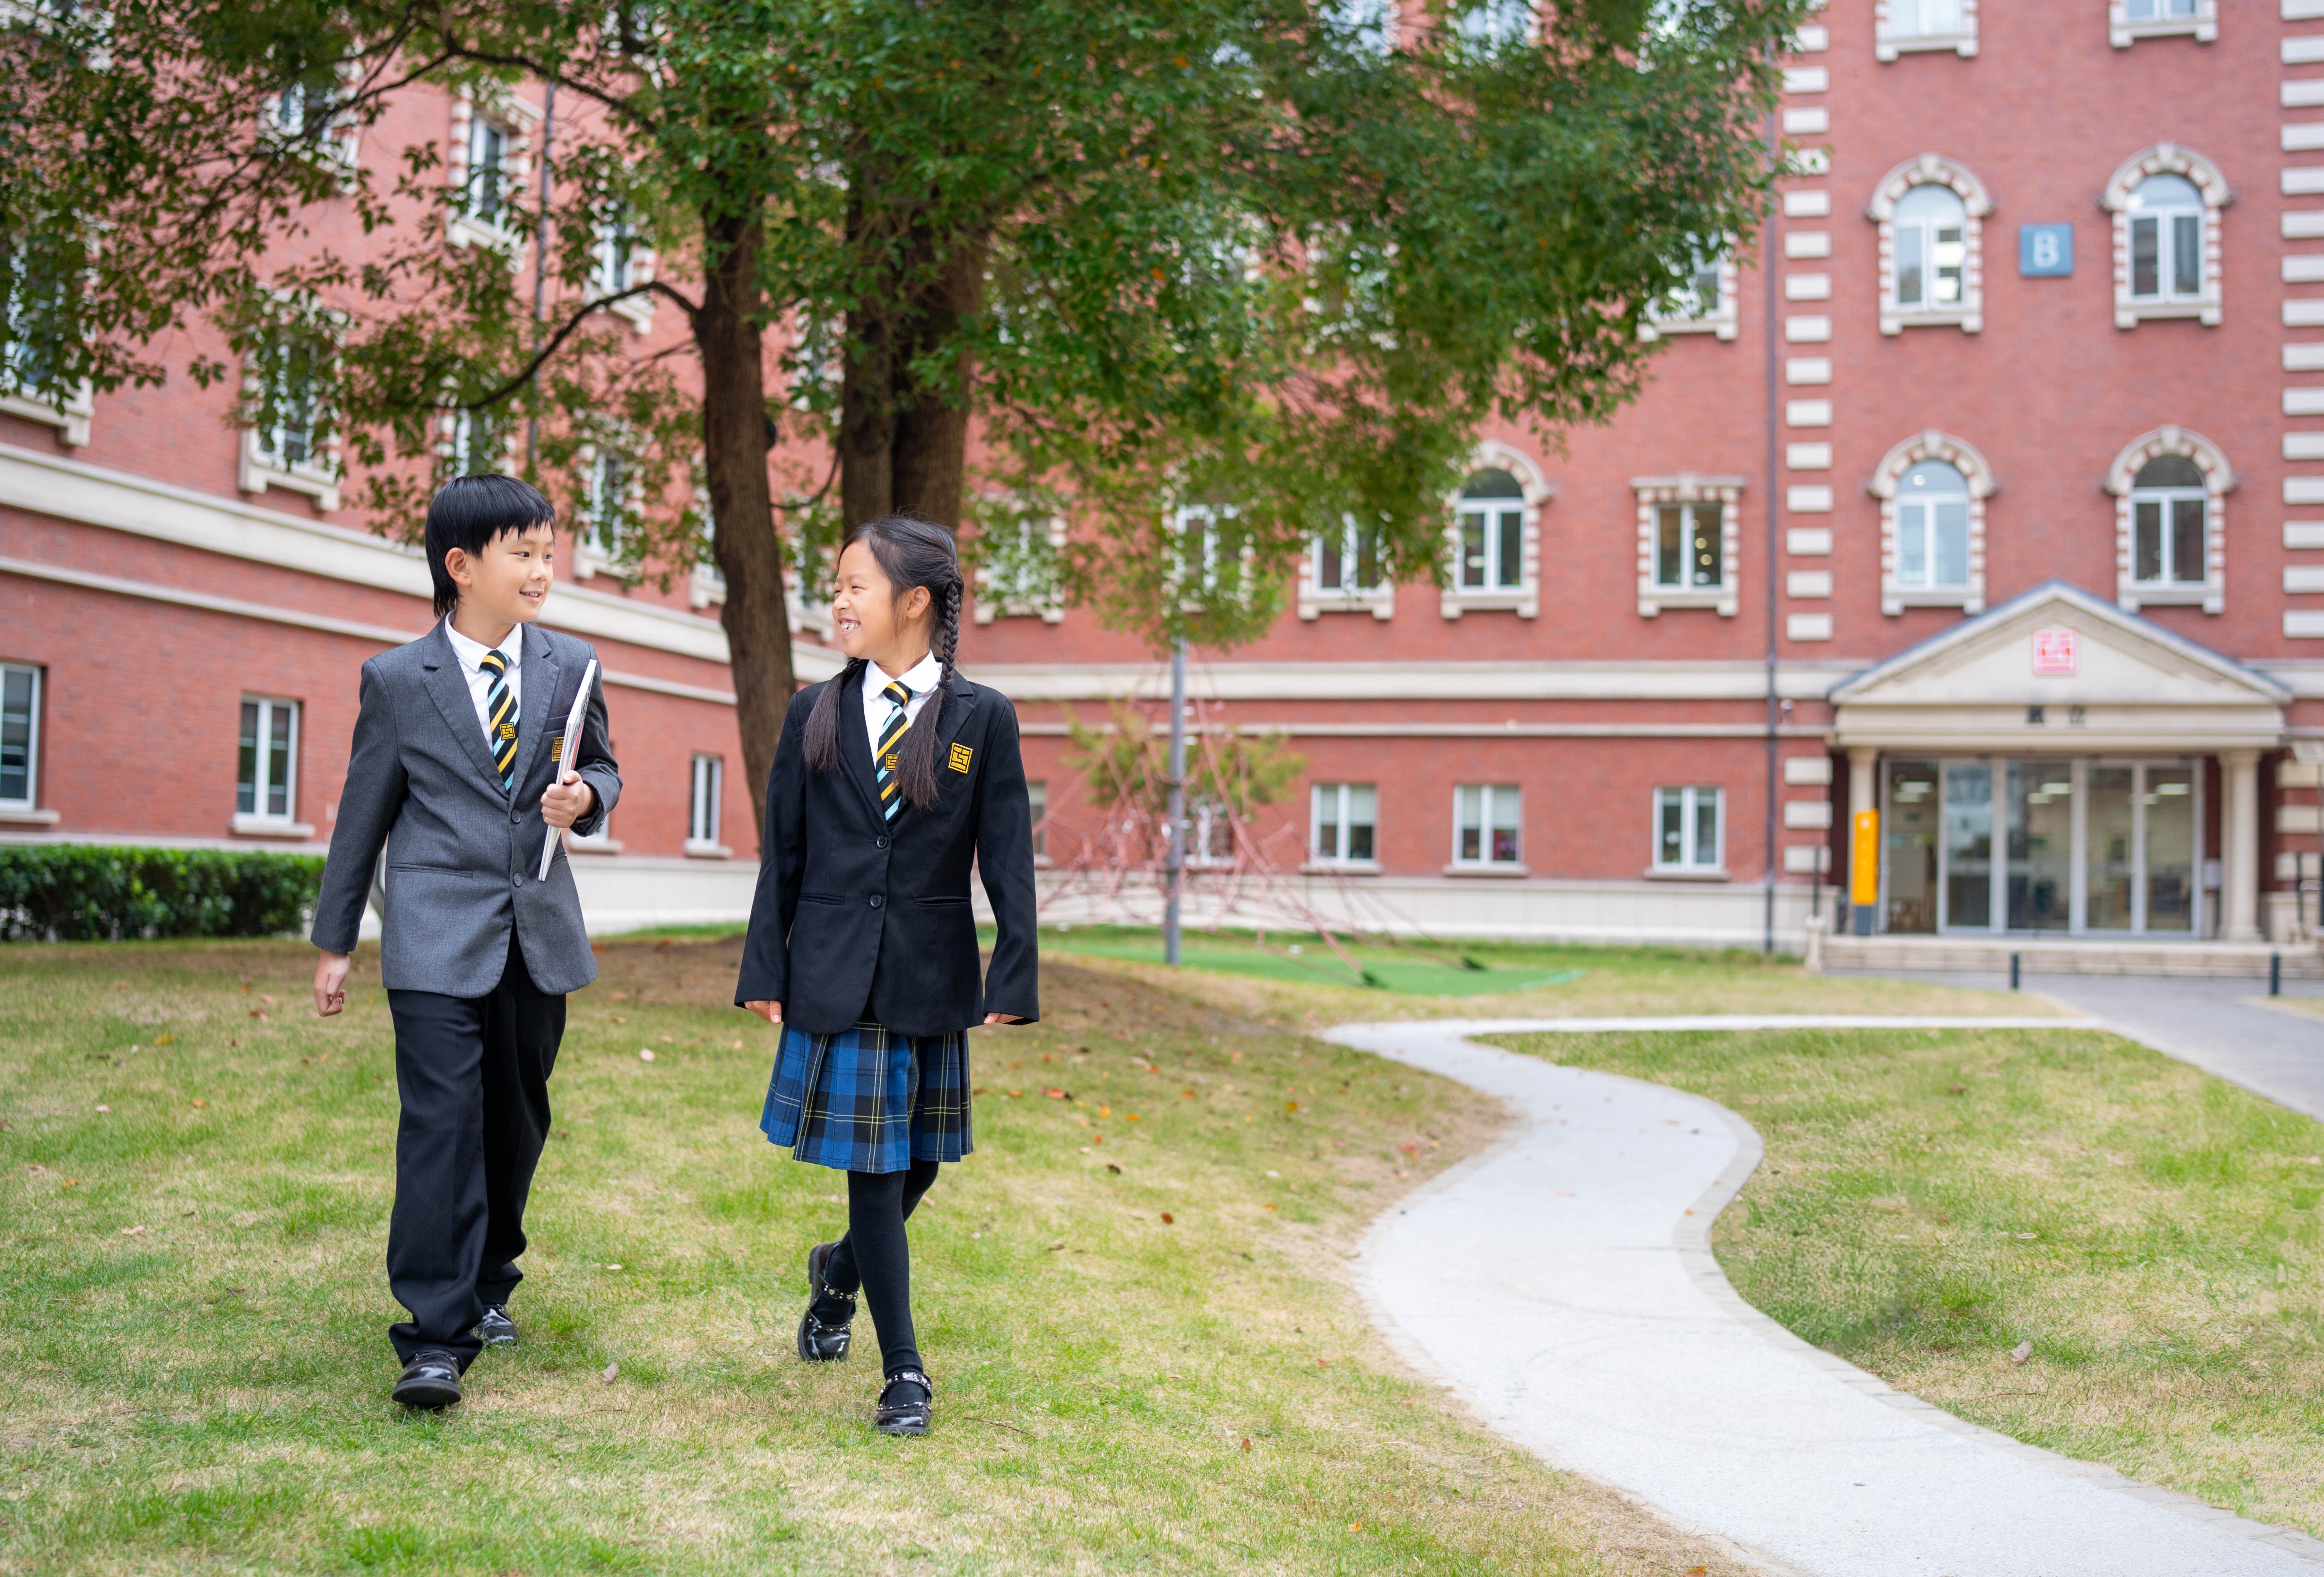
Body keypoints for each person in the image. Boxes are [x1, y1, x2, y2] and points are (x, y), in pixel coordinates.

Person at [309, 473, 620, 1410]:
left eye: (547, 549)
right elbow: (363, 817)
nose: (542, 567)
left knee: (516, 1121)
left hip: (538, 930)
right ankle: (433, 1338)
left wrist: (588, 798)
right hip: (433, 938)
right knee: (441, 1129)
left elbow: (600, 764)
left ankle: (490, 1282)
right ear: (461, 566)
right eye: (522, 552)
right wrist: (336, 942)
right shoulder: (399, 682)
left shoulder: (573, 664)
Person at [735, 513, 1039, 1437]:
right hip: (834, 968)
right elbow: (781, 853)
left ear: (914, 603)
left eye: (854, 586)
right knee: (875, 1166)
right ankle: (903, 1372)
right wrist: (764, 964)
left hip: (929, 967)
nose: (838, 600)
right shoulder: (813, 710)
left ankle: (840, 1270)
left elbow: (1007, 856)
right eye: (835, 585)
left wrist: (1013, 972)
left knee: (920, 1162)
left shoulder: (980, 718)